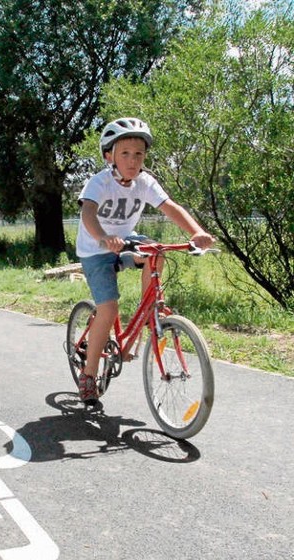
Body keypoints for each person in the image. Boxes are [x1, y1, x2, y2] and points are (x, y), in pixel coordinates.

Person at [76, 117, 214, 404]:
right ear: (108, 156)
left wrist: (197, 232)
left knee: (155, 250)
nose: (132, 160)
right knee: (109, 307)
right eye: (124, 153)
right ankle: (88, 376)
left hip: (126, 240)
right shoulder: (99, 182)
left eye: (139, 154)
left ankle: (147, 312)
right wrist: (103, 237)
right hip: (95, 249)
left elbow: (171, 208)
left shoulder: (145, 182)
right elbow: (88, 213)